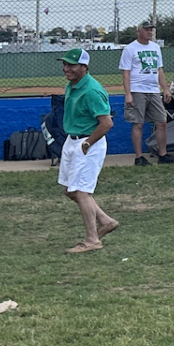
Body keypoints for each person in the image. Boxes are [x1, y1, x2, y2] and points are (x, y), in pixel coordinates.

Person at [56, 49, 119, 254]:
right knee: (70, 190)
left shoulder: (92, 90)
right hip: (73, 140)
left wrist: (88, 143)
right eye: (65, 65)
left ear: (84, 67)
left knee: (81, 191)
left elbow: (106, 123)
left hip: (87, 142)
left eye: (72, 65)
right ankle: (105, 220)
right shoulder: (72, 86)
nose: (66, 69)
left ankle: (92, 240)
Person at [120, 20, 174, 166]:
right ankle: (139, 157)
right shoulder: (130, 49)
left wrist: (165, 88)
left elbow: (159, 70)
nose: (149, 32)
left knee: (161, 121)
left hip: (153, 90)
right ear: (139, 31)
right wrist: (128, 93)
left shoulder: (155, 47)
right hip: (138, 89)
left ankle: (162, 154)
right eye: (146, 29)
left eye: (151, 30)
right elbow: (126, 73)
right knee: (138, 123)